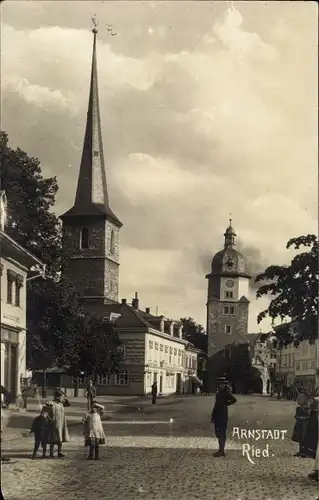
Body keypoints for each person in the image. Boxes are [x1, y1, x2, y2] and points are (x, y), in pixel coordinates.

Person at [211, 376, 237, 457]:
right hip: (218, 415)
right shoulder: (219, 393)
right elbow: (216, 405)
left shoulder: (226, 392)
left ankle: (221, 450)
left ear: (223, 385)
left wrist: (225, 404)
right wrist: (213, 415)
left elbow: (234, 400)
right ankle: (220, 449)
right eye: (218, 384)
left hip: (222, 415)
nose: (219, 386)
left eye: (221, 384)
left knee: (221, 433)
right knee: (218, 433)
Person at [46, 390, 70, 458]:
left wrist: (64, 398)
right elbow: (45, 413)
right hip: (54, 424)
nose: (63, 399)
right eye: (61, 397)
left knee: (60, 439)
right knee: (53, 439)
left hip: (61, 423)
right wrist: (50, 420)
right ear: (57, 397)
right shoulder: (51, 403)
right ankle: (51, 453)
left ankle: (59, 452)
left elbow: (68, 404)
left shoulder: (61, 403)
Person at [291, 391, 309, 457]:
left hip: (305, 425)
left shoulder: (308, 409)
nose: (299, 401)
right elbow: (297, 416)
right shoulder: (298, 409)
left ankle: (305, 451)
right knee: (300, 438)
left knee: (304, 437)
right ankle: (301, 451)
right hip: (300, 425)